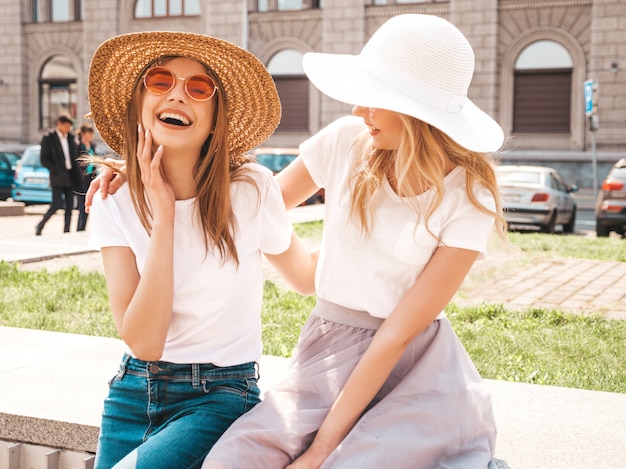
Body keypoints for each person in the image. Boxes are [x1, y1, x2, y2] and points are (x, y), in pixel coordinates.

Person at [201, 14, 508, 468]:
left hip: (415, 367)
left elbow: (397, 335)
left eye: (373, 98)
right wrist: (135, 181)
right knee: (230, 460)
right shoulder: (347, 141)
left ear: (415, 112)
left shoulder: (469, 191)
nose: (357, 110)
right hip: (326, 353)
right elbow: (253, 207)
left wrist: (320, 452)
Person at [85, 31, 317, 469]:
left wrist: (390, 240)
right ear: (139, 103)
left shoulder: (251, 191)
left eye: (198, 88)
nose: (177, 95)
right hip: (132, 391)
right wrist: (164, 215)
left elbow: (305, 278)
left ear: (215, 117)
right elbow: (145, 342)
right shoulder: (112, 200)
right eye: (160, 81)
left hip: (221, 394)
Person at [36, 114, 82, 235]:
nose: (68, 129)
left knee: (70, 206)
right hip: (57, 177)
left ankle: (66, 231)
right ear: (59, 124)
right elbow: (44, 159)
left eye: (69, 127)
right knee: (56, 204)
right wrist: (55, 170)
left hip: (70, 175)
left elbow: (75, 156)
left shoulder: (71, 138)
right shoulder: (49, 138)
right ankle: (40, 225)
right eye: (66, 126)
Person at [75, 123, 98, 231]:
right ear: (84, 133)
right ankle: (80, 229)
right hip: (80, 179)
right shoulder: (78, 145)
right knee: (82, 205)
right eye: (90, 133)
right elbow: (76, 162)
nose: (91, 136)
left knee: (89, 204)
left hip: (90, 178)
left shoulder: (92, 145)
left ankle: (83, 228)